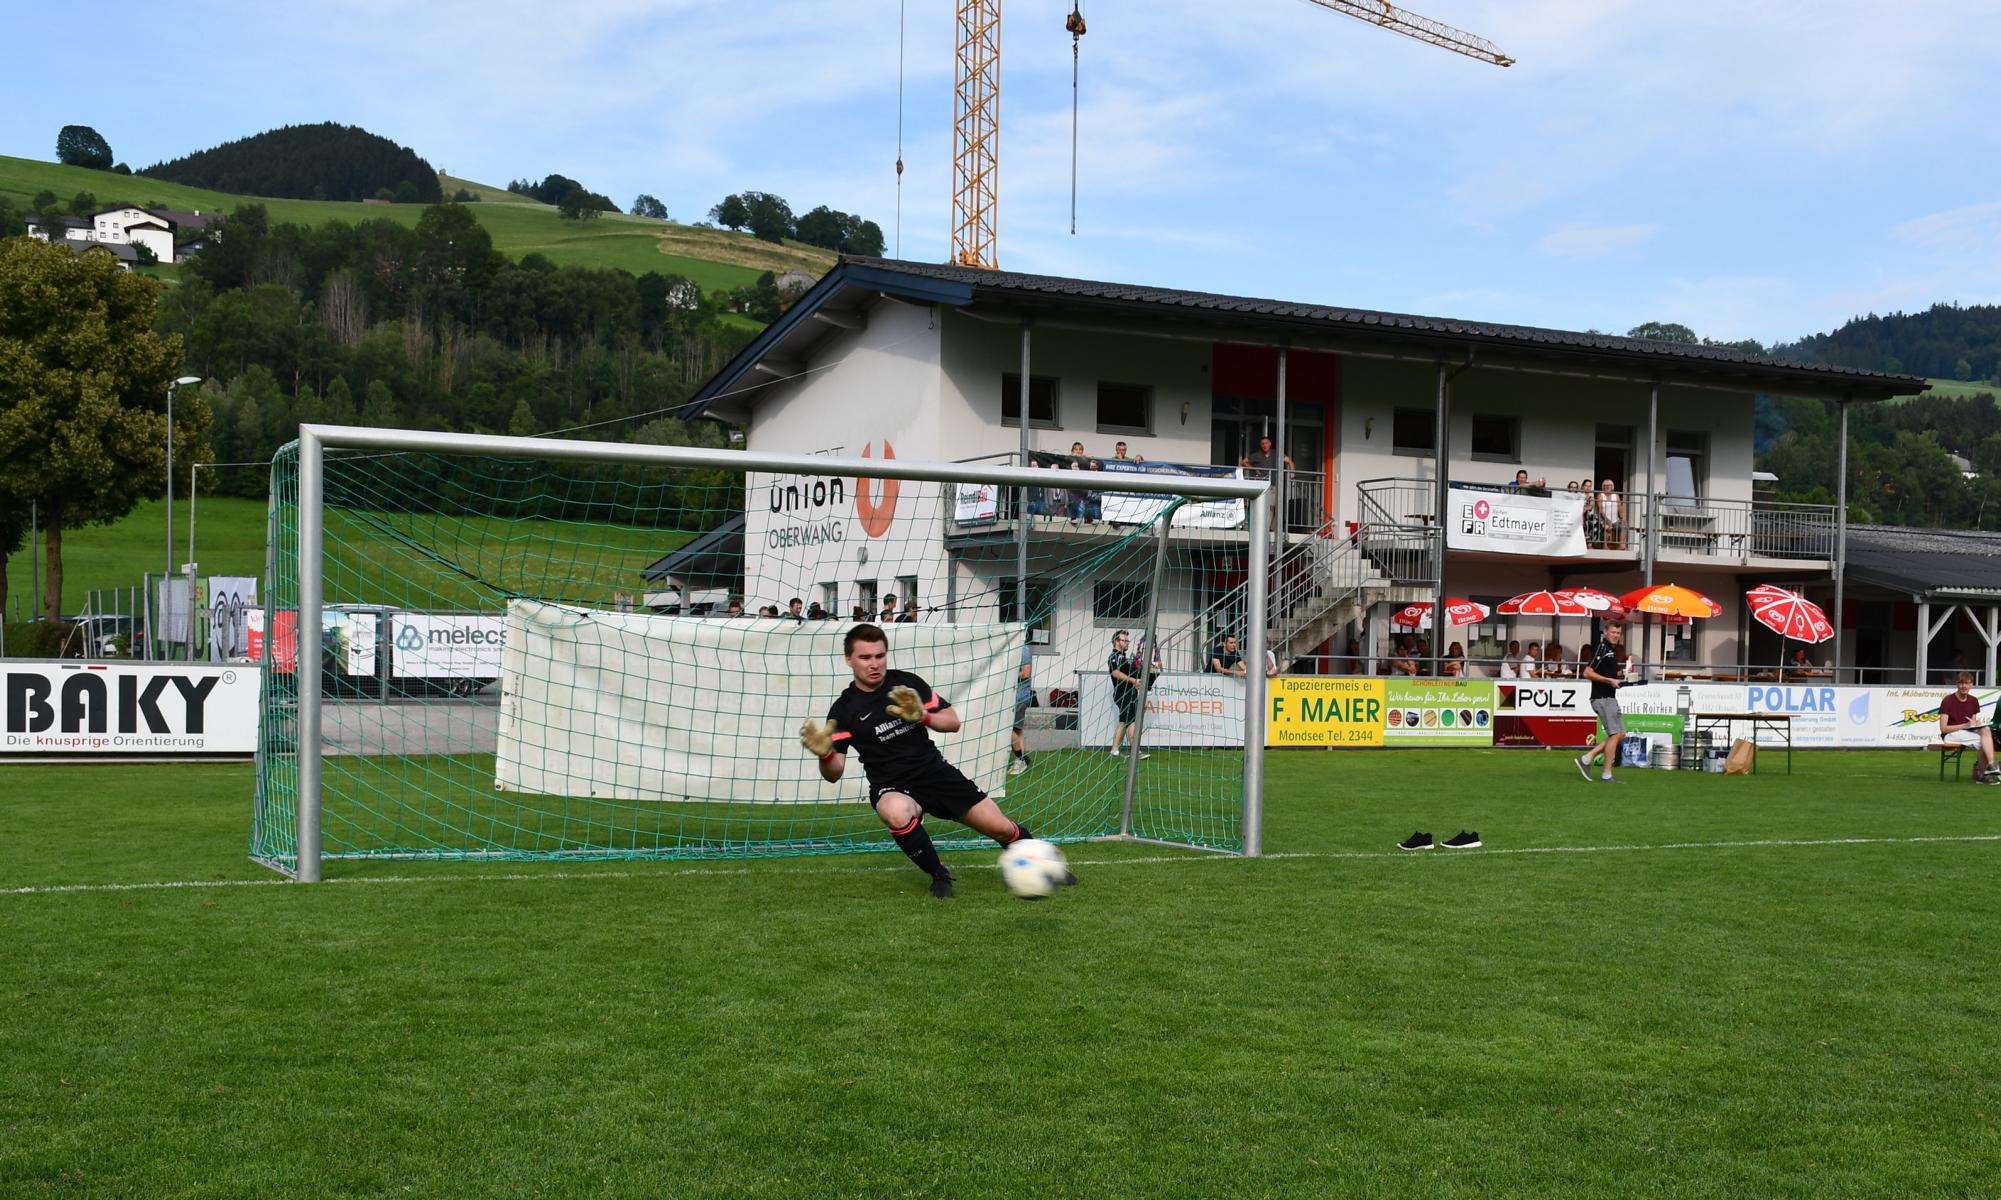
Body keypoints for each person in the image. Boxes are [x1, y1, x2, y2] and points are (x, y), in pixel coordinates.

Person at [799, 624, 1068, 900]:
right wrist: (825, 755)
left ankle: (1046, 864)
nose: (874, 664)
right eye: (865, 657)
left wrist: (923, 717)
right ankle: (939, 875)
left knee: (1000, 827)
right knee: (895, 811)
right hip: (891, 785)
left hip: (935, 774)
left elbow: (953, 722)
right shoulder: (844, 709)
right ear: (849, 659)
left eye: (880, 656)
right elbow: (834, 773)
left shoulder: (906, 685)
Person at [1575, 623, 1628, 783]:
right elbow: (1587, 673)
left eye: (1618, 632)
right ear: (1605, 632)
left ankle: (1587, 758)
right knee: (1615, 735)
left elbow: (1606, 673)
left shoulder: (1611, 650)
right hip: (1602, 698)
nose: (1616, 635)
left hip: (1609, 697)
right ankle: (1606, 775)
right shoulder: (1602, 648)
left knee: (1621, 734)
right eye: (1613, 632)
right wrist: (1609, 680)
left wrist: (1620, 676)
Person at [1937, 672, 1997, 783]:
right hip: (1950, 735)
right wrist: (1965, 725)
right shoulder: (1948, 701)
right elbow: (1943, 729)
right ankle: (1984, 774)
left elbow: (1971, 724)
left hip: (1966, 732)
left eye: (1967, 683)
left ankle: (1990, 766)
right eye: (1961, 683)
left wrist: (1976, 725)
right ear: (1957, 684)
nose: (1964, 686)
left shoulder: (1973, 701)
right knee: (1983, 742)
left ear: (1971, 685)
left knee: (1986, 730)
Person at [1107, 630, 1149, 759]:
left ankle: (1114, 750)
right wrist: (1133, 680)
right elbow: (1115, 673)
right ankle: (1136, 752)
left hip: (1130, 693)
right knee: (1131, 721)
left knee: (1124, 722)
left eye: (1127, 640)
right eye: (1124, 640)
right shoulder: (1115, 656)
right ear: (1116, 642)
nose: (1127, 643)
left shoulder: (1125, 657)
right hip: (1123, 693)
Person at [1010, 641, 1036, 776]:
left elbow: (1026, 673)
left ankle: (1022, 758)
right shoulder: (1013, 648)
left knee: (1008, 729)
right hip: (1015, 696)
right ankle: (1021, 761)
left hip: (1019, 697)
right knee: (1017, 729)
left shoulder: (1023, 650)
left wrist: (1006, 676)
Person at [1593, 480, 1625, 550]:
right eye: (1606, 486)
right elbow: (1601, 510)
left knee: (1624, 526)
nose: (1608, 487)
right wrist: (1607, 520)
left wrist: (1622, 518)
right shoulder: (1600, 495)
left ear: (1612, 487)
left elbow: (1620, 507)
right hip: (1603, 519)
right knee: (1607, 527)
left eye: (1609, 485)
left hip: (1615, 520)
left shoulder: (1616, 496)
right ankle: (1605, 545)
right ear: (1603, 487)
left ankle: (1621, 545)